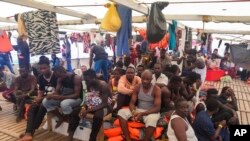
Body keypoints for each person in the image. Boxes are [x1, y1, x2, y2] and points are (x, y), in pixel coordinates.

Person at [18, 56, 57, 141]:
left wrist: (41, 98)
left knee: (42, 107)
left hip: (55, 98)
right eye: (41, 69)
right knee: (33, 106)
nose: (43, 70)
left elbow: (58, 92)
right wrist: (38, 98)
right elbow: (41, 90)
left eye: (44, 68)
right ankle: (29, 133)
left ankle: (29, 132)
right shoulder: (40, 77)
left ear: (49, 66)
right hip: (45, 98)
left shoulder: (56, 75)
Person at [118, 70, 161, 141]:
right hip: (139, 109)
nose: (144, 81)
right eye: (143, 78)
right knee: (121, 113)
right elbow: (132, 103)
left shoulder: (156, 89)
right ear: (140, 78)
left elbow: (157, 108)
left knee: (152, 120)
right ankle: (128, 139)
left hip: (151, 111)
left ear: (151, 79)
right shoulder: (137, 87)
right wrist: (133, 111)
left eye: (147, 79)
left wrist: (143, 114)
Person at [79, 69, 112, 141]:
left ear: (93, 78)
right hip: (92, 105)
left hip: (105, 106)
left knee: (98, 115)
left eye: (87, 80)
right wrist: (83, 108)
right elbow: (86, 98)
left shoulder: (103, 85)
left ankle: (92, 137)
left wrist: (87, 111)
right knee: (75, 110)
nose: (85, 82)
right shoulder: (88, 85)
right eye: (85, 80)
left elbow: (104, 103)